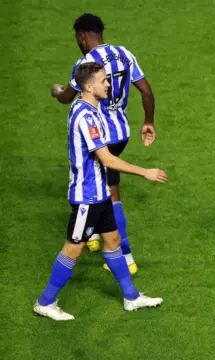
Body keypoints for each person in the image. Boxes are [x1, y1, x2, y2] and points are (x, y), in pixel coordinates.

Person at [35, 62, 166, 321]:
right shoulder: (86, 117)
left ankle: (131, 297)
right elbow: (106, 159)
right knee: (73, 248)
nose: (109, 84)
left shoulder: (88, 108)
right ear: (88, 86)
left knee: (113, 241)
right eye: (103, 80)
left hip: (100, 192)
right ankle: (45, 302)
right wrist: (144, 172)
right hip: (87, 197)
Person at [51, 13, 156, 276]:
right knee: (102, 185)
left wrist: (56, 90)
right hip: (122, 132)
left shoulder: (87, 64)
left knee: (108, 192)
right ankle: (96, 236)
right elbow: (146, 91)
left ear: (81, 36)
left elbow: (67, 97)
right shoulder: (124, 53)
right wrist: (148, 122)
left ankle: (126, 256)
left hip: (99, 136)